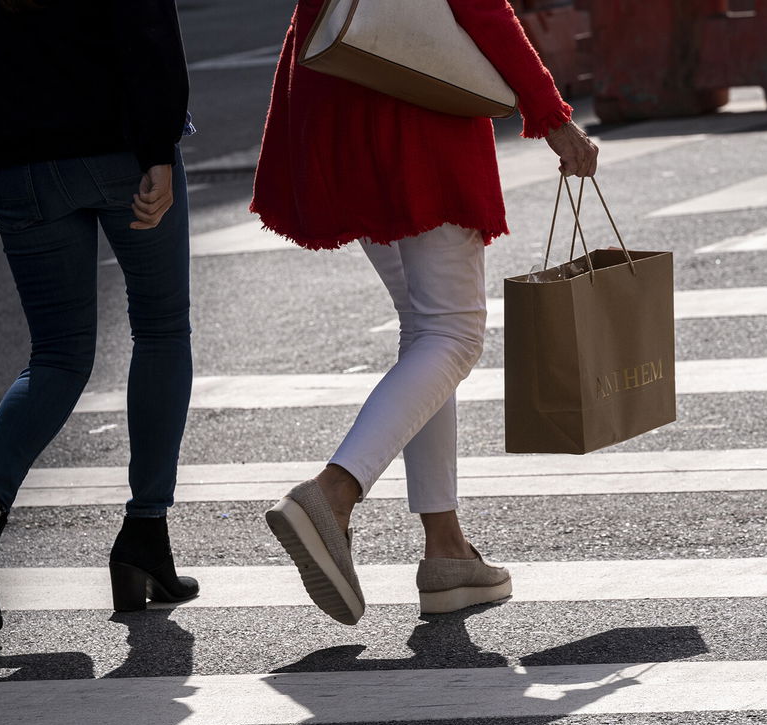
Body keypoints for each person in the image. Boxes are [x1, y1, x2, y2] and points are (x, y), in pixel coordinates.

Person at [252, 0, 599, 625]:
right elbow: (481, 9)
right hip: (416, 108)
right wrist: (551, 115)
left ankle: (446, 549)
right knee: (453, 333)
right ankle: (333, 494)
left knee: (427, 330)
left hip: (344, 87)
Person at [0, 0, 198, 633]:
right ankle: (143, 537)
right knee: (161, 330)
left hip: (15, 152)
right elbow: (146, 23)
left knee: (56, 353)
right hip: (118, 143)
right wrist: (158, 144)